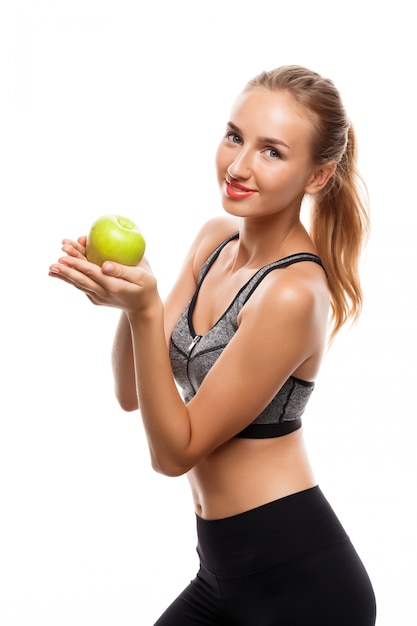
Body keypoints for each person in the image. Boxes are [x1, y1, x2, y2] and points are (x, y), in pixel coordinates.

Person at [49, 65, 377, 625]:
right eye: (234, 136)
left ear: (317, 176)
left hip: (297, 583)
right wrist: (131, 304)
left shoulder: (293, 292)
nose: (239, 165)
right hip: (220, 572)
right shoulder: (213, 240)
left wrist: (146, 310)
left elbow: (175, 453)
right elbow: (131, 392)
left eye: (272, 151)